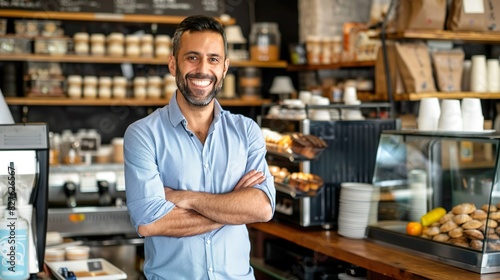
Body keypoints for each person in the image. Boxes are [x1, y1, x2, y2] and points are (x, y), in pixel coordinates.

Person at [124, 15, 276, 279]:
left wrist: (187, 198)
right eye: (192, 57)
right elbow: (150, 223)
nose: (203, 69)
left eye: (213, 59)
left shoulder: (246, 131)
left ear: (225, 67)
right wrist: (234, 208)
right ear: (173, 64)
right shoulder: (143, 134)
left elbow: (262, 208)